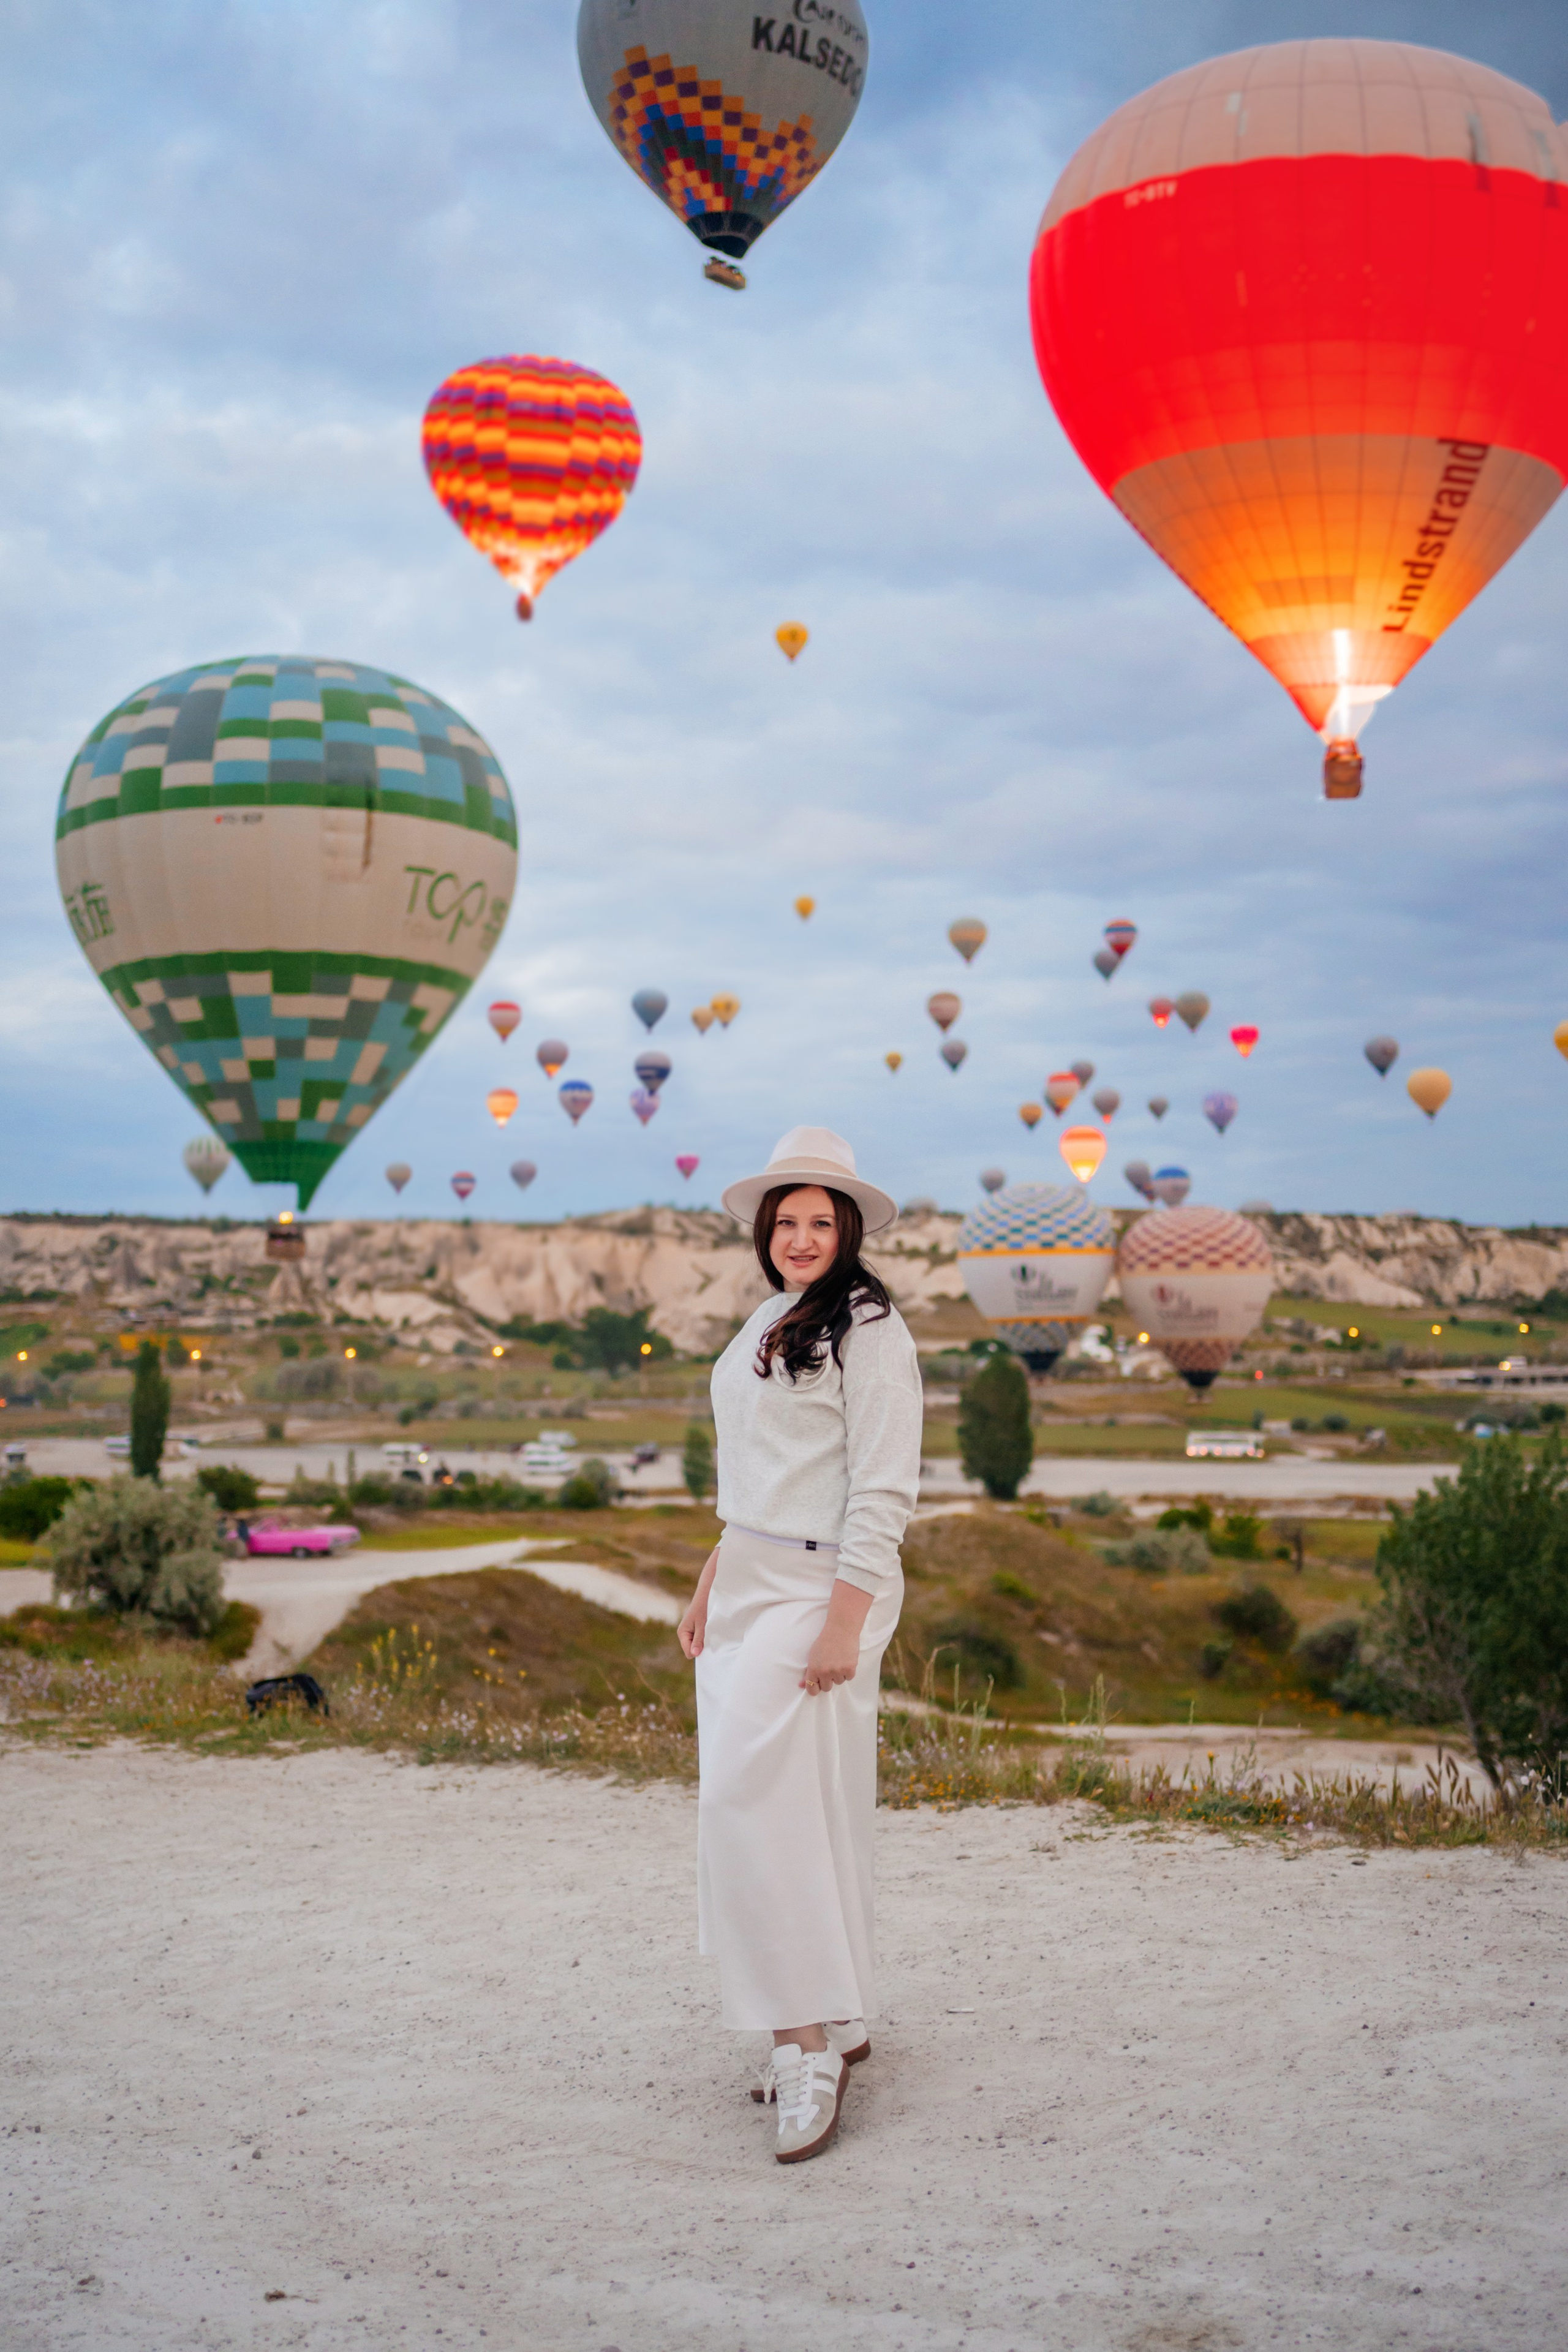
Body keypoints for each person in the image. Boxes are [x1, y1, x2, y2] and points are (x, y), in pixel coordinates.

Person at [678, 1126, 924, 2164]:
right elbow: (756, 1468)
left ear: (851, 1228)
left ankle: (804, 2045)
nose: (804, 1238)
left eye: (823, 1222)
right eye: (788, 1223)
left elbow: (883, 1487)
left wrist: (845, 1617)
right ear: (766, 1233)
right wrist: (711, 1573)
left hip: (824, 1584)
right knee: (814, 1800)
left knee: (749, 1800)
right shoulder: (772, 1317)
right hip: (751, 1578)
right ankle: (846, 2011)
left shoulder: (872, 1330)